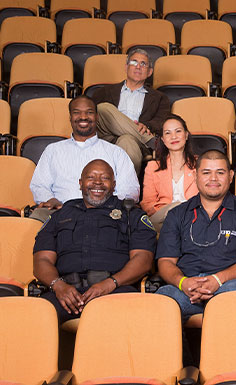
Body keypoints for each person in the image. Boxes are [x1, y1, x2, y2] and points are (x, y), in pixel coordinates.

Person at [32, 159, 156, 323]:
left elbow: (143, 259)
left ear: (113, 184)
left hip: (115, 291)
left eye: (104, 178)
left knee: (127, 320)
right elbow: (42, 259)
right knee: (34, 318)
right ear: (81, 183)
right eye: (91, 177)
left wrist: (110, 283)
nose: (97, 182)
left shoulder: (131, 215)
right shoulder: (59, 216)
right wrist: (58, 286)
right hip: (65, 292)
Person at [155, 150, 236, 322]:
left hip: (227, 286)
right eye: (206, 172)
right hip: (185, 289)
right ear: (195, 175)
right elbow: (166, 261)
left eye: (220, 172)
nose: (213, 178)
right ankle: (183, 350)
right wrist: (183, 282)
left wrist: (218, 279)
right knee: (163, 299)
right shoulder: (177, 214)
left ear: (231, 176)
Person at [29, 95, 140, 223]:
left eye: (89, 112)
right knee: (38, 215)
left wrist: (106, 204)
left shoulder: (116, 152)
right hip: (61, 211)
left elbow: (130, 189)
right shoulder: (53, 150)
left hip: (105, 213)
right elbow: (39, 185)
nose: (83, 117)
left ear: (97, 117)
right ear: (70, 118)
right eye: (77, 113)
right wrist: (50, 200)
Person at [92, 48, 171, 174]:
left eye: (143, 64)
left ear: (149, 72)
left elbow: (163, 120)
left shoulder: (159, 98)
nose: (138, 67)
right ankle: (153, 142)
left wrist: (148, 126)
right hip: (107, 138)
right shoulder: (103, 92)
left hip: (137, 143)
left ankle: (126, 193)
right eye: (134, 62)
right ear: (126, 67)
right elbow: (91, 114)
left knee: (127, 140)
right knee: (103, 107)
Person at [140, 115, 198, 230]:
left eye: (178, 131)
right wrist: (171, 211)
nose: (173, 137)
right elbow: (147, 203)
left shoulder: (200, 165)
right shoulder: (152, 167)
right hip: (162, 218)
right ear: (162, 139)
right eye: (168, 133)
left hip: (193, 218)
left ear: (186, 135)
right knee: (177, 209)